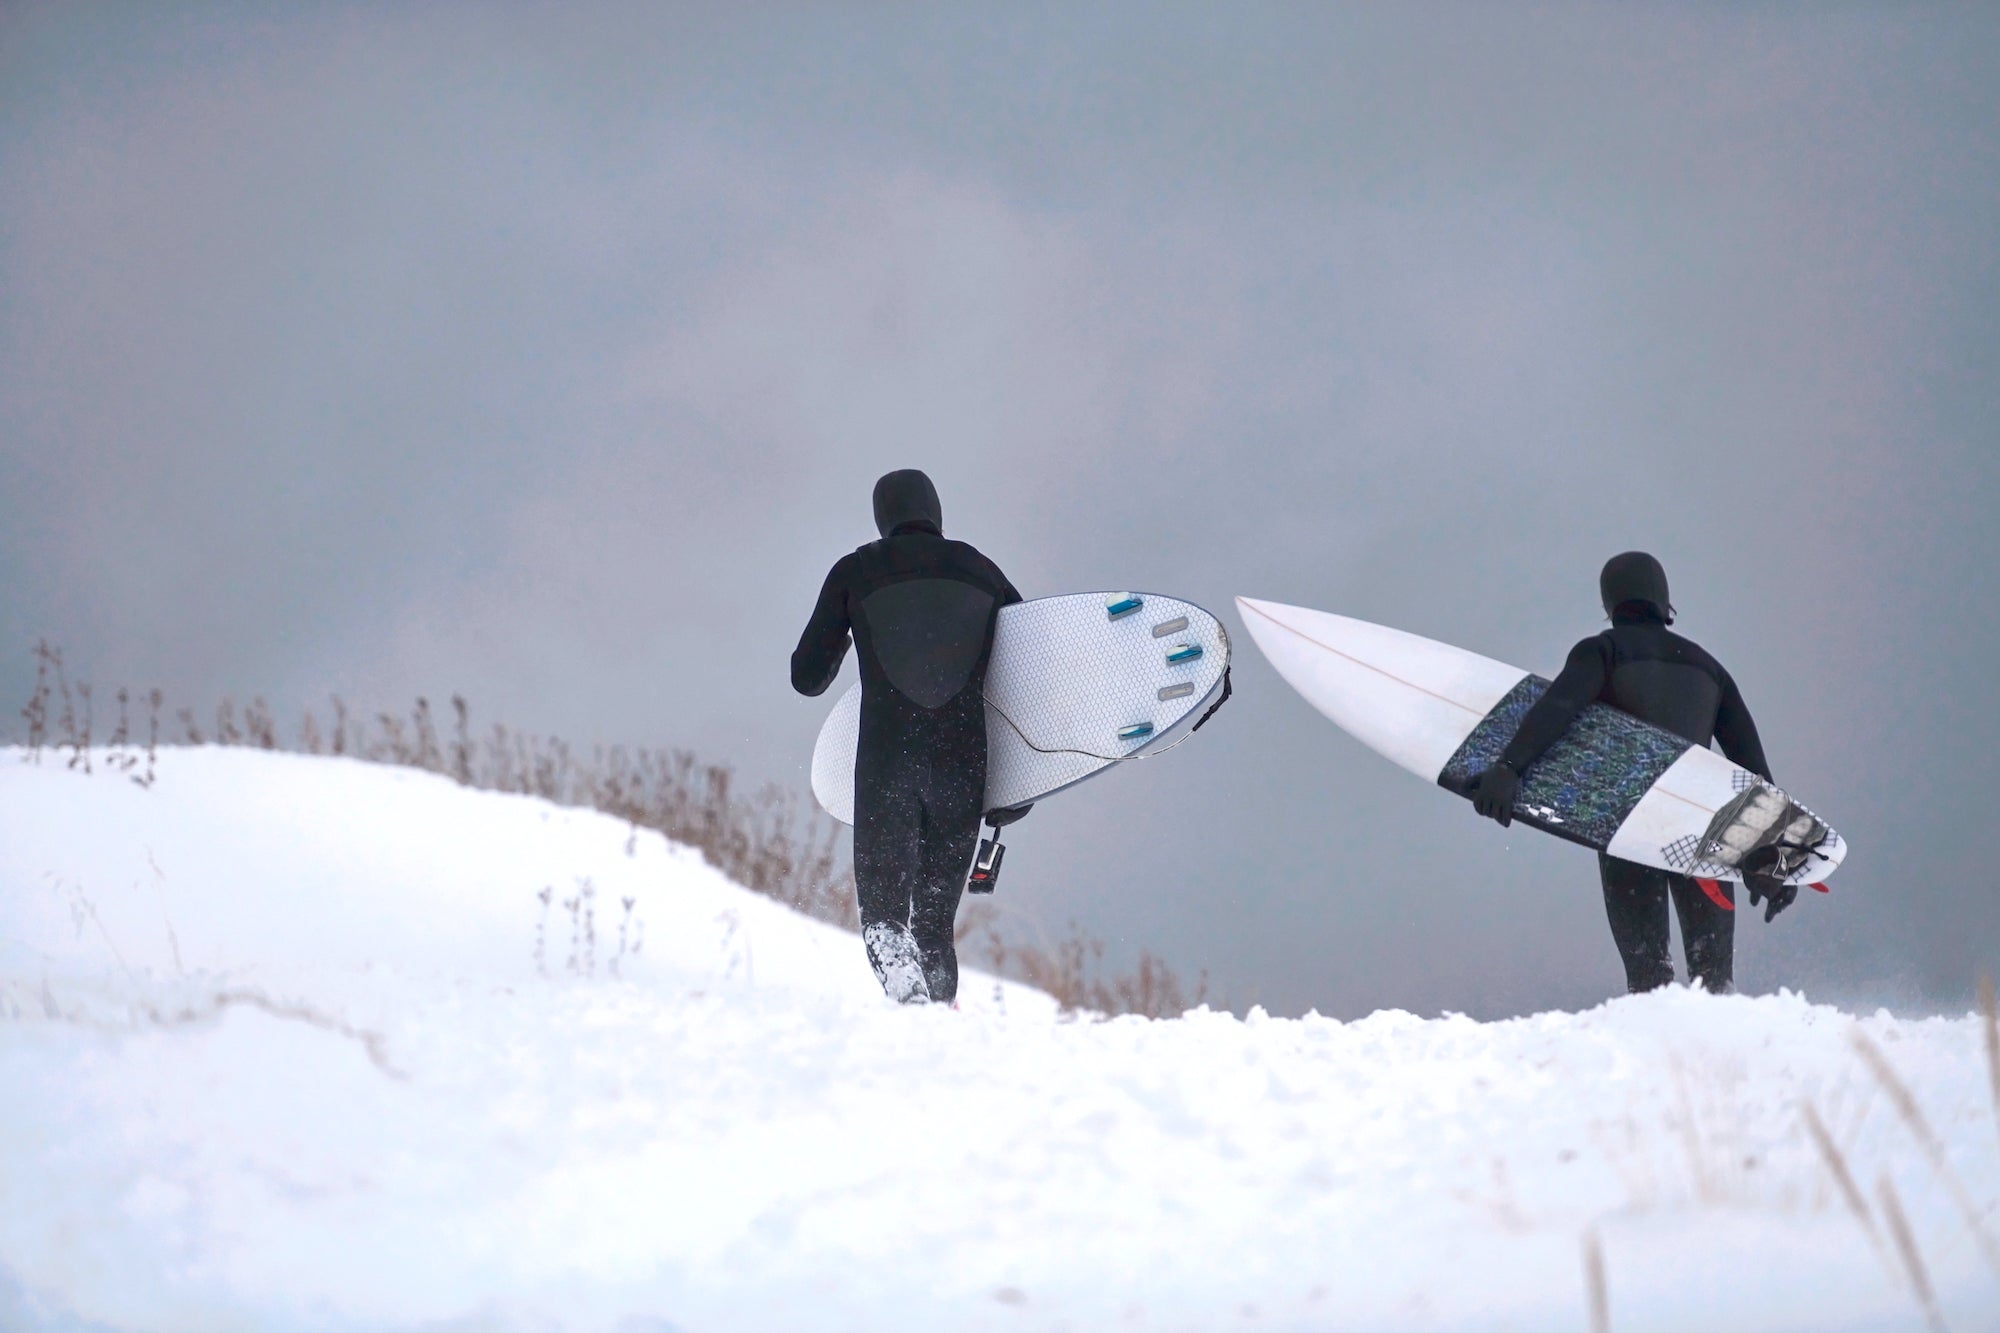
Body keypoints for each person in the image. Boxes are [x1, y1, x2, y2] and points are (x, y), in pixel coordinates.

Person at [1466, 552, 1792, 994]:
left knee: (1649, 977)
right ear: (1664, 600)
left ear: (1610, 603)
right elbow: (1754, 771)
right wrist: (1772, 854)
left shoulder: (1603, 651)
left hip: (1631, 828)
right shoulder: (1710, 670)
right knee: (1716, 982)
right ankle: (1723, 1057)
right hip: (1701, 830)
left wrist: (1508, 768)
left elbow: (1558, 709)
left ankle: (1659, 1057)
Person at [791, 469, 1028, 1004]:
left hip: (889, 762)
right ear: (935, 512)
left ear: (882, 517)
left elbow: (807, 677)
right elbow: (1028, 670)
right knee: (933, 926)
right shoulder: (983, 571)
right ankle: (937, 1028)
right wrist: (1021, 786)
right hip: (964, 766)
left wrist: (856, 620)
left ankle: (914, 1015)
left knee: (886, 924)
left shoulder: (856, 570)